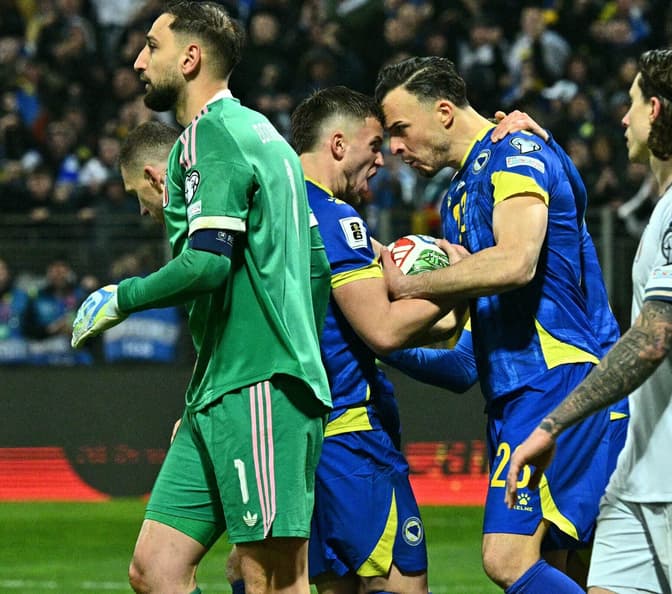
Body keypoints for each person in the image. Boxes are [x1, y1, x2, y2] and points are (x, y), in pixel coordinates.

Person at [71, 4, 332, 593]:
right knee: (155, 569)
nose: (139, 61)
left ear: (190, 59)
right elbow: (314, 271)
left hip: (259, 387)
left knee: (272, 578)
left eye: (151, 46)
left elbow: (209, 262)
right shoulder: (266, 136)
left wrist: (123, 296)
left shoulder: (212, 135)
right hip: (222, 391)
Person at [506, 48, 672, 594]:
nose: (623, 118)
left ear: (655, 109)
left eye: (632, 104)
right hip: (642, 476)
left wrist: (552, 425)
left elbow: (652, 338)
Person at [375, 56, 611, 593]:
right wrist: (376, 333)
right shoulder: (457, 196)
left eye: (400, 130)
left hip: (557, 375)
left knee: (506, 558)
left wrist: (406, 286)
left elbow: (516, 262)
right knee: (573, 569)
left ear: (442, 112)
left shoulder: (515, 151)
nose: (394, 148)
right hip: (515, 391)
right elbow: (462, 357)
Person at [227, 86, 457, 594]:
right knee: (401, 585)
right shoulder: (335, 218)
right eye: (374, 145)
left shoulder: (262, 213)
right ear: (337, 145)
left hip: (287, 443)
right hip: (352, 440)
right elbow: (383, 329)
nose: (382, 159)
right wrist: (461, 280)